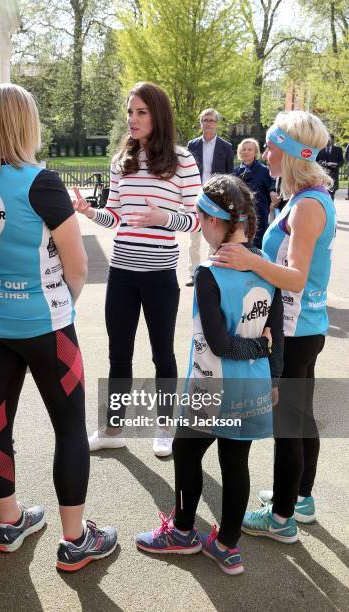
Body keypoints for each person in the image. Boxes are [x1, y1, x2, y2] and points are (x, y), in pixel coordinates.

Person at [0, 83, 117, 571]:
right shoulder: (40, 182)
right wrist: (60, 306)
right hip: (45, 327)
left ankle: (9, 522)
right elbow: (78, 267)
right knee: (68, 426)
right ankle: (75, 540)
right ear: (27, 124)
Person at [136, 174, 283, 575]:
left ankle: (182, 533)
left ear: (215, 221)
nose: (200, 226)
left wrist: (260, 347)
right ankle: (227, 546)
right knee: (236, 464)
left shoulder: (208, 271)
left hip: (210, 386)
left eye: (201, 219)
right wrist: (272, 376)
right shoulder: (267, 268)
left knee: (186, 453)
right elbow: (278, 332)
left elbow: (220, 343)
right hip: (250, 388)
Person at [213, 111, 336, 542]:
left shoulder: (307, 206)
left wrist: (250, 260)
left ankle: (282, 518)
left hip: (297, 329)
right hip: (305, 326)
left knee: (288, 424)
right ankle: (299, 498)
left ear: (290, 151)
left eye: (270, 145)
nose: (264, 153)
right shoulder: (311, 198)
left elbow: (297, 276)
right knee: (300, 417)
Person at [74, 81, 201, 458]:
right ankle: (114, 427)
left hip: (161, 276)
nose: (133, 118)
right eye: (130, 111)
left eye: (141, 112)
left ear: (157, 115)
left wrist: (164, 217)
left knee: (163, 353)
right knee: (119, 353)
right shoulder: (120, 161)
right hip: (122, 274)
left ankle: (164, 428)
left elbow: (196, 221)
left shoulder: (183, 161)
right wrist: (88, 212)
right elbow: (114, 217)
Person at [186, 108, 234, 285]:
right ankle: (193, 273)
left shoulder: (226, 147)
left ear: (216, 124)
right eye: (205, 120)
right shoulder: (193, 145)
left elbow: (230, 175)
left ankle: (210, 271)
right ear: (201, 123)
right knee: (194, 237)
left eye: (211, 120)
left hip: (216, 198)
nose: (208, 124)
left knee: (214, 236)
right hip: (196, 196)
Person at [234, 138, 279, 248]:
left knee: (257, 247)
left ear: (255, 152)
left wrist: (272, 191)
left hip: (259, 215)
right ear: (240, 152)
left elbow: (272, 184)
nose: (246, 152)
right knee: (241, 244)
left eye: (250, 149)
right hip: (241, 215)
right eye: (243, 149)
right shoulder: (235, 172)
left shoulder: (264, 170)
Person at [316, 133, 344, 200]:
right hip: (322, 175)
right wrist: (324, 163)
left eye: (330, 139)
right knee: (322, 193)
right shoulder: (320, 150)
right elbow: (316, 161)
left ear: (333, 140)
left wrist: (336, 165)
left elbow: (342, 162)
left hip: (333, 174)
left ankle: (330, 209)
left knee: (331, 194)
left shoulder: (338, 150)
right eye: (327, 139)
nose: (328, 141)